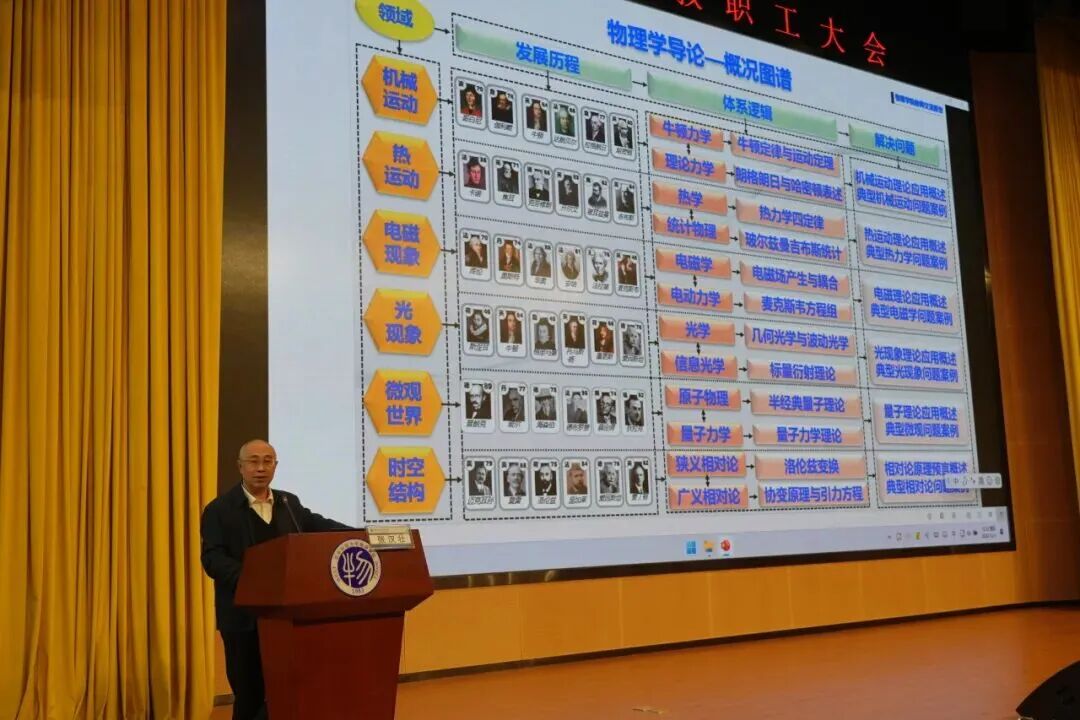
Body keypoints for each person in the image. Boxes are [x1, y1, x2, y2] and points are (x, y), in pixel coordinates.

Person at [201, 439, 352, 720]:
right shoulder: (219, 509)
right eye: (253, 461)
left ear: (275, 466)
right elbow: (212, 558)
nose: (261, 468)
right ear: (240, 467)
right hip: (242, 619)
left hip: (284, 617)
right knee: (249, 694)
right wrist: (255, 580)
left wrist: (360, 534)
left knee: (284, 690)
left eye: (267, 461)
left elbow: (317, 524)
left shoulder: (288, 503)